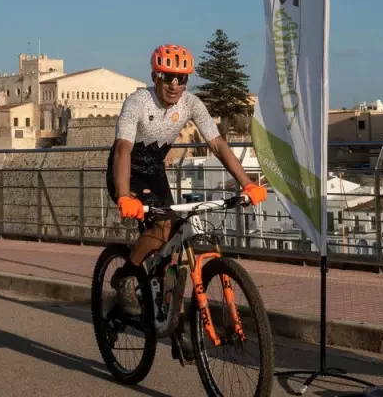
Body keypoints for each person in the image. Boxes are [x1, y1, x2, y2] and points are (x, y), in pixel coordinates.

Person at [107, 44, 267, 317]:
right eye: (167, 76)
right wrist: (123, 194)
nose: (173, 84)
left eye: (180, 79)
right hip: (126, 173)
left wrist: (247, 183)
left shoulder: (191, 104)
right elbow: (123, 148)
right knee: (160, 229)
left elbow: (217, 144)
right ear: (155, 76)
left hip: (155, 174)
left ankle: (170, 313)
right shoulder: (138, 102)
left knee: (175, 239)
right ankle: (125, 276)